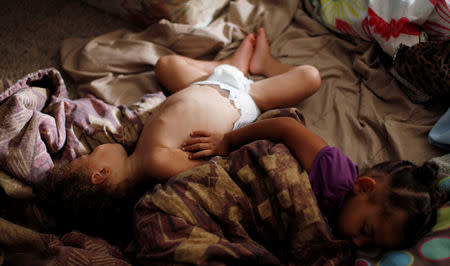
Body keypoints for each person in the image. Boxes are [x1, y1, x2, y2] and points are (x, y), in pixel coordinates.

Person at [36, 28, 322, 239]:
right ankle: (264, 67)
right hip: (244, 99)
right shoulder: (157, 163)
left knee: (165, 66)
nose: (89, 150)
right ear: (101, 173)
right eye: (86, 158)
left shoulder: (142, 151)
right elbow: (213, 167)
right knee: (311, 76)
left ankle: (231, 66)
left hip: (206, 83)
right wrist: (225, 144)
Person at [181, 116, 448, 249]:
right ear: (364, 188)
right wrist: (227, 141)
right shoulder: (336, 175)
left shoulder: (340, 238)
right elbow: (287, 126)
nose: (358, 243)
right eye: (366, 230)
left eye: (371, 245)